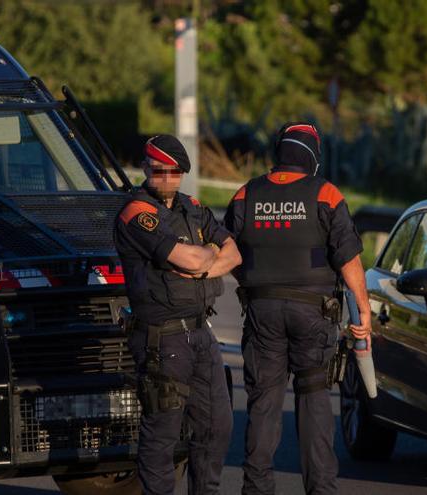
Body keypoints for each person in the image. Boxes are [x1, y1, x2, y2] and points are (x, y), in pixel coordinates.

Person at [224, 123, 371, 495]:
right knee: (314, 399)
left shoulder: (246, 194)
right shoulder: (326, 193)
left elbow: (228, 252)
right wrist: (363, 313)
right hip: (313, 312)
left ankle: (256, 490)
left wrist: (254, 283)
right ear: (312, 156)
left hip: (262, 311)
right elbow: (348, 257)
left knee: (264, 403)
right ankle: (320, 489)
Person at [114, 134, 241, 495]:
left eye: (173, 172)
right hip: (162, 336)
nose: (166, 178)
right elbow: (192, 257)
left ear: (183, 173)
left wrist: (203, 262)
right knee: (163, 433)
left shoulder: (193, 206)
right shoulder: (136, 213)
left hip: (202, 331)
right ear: (145, 168)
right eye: (158, 171)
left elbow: (234, 254)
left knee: (218, 425)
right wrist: (203, 257)